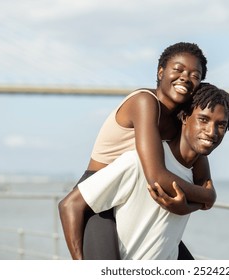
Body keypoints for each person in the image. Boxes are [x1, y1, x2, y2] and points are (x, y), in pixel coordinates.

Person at [59, 42, 216, 260]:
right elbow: (157, 177)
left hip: (134, 194)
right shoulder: (144, 102)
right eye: (178, 69)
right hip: (98, 198)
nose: (185, 77)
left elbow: (202, 180)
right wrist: (208, 196)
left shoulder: (181, 117)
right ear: (161, 72)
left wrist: (191, 204)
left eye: (194, 75)